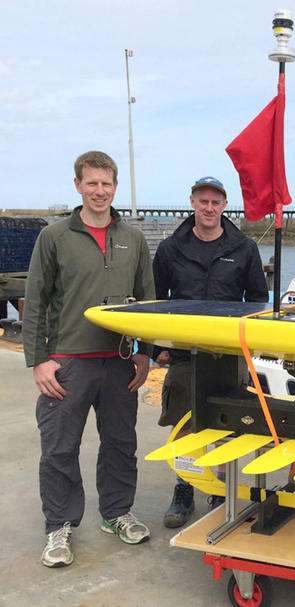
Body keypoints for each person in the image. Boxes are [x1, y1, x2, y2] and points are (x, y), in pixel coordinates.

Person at [23, 151, 155, 568]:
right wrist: (39, 360)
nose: (100, 191)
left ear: (116, 186)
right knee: (60, 448)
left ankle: (116, 513)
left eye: (107, 183)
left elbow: (147, 301)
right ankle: (59, 526)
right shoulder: (56, 236)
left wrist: (144, 353)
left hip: (118, 362)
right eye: (92, 183)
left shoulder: (132, 239)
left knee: (121, 443)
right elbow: (35, 300)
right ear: (78, 185)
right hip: (68, 363)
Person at [153, 176, 268, 528]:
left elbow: (259, 301)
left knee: (225, 425)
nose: (209, 208)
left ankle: (220, 487)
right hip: (186, 355)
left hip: (228, 356)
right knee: (185, 425)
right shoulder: (171, 248)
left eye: (215, 202)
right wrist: (156, 347)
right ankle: (185, 487)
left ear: (224, 205)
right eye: (202, 201)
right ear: (192, 202)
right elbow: (156, 300)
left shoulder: (244, 248)